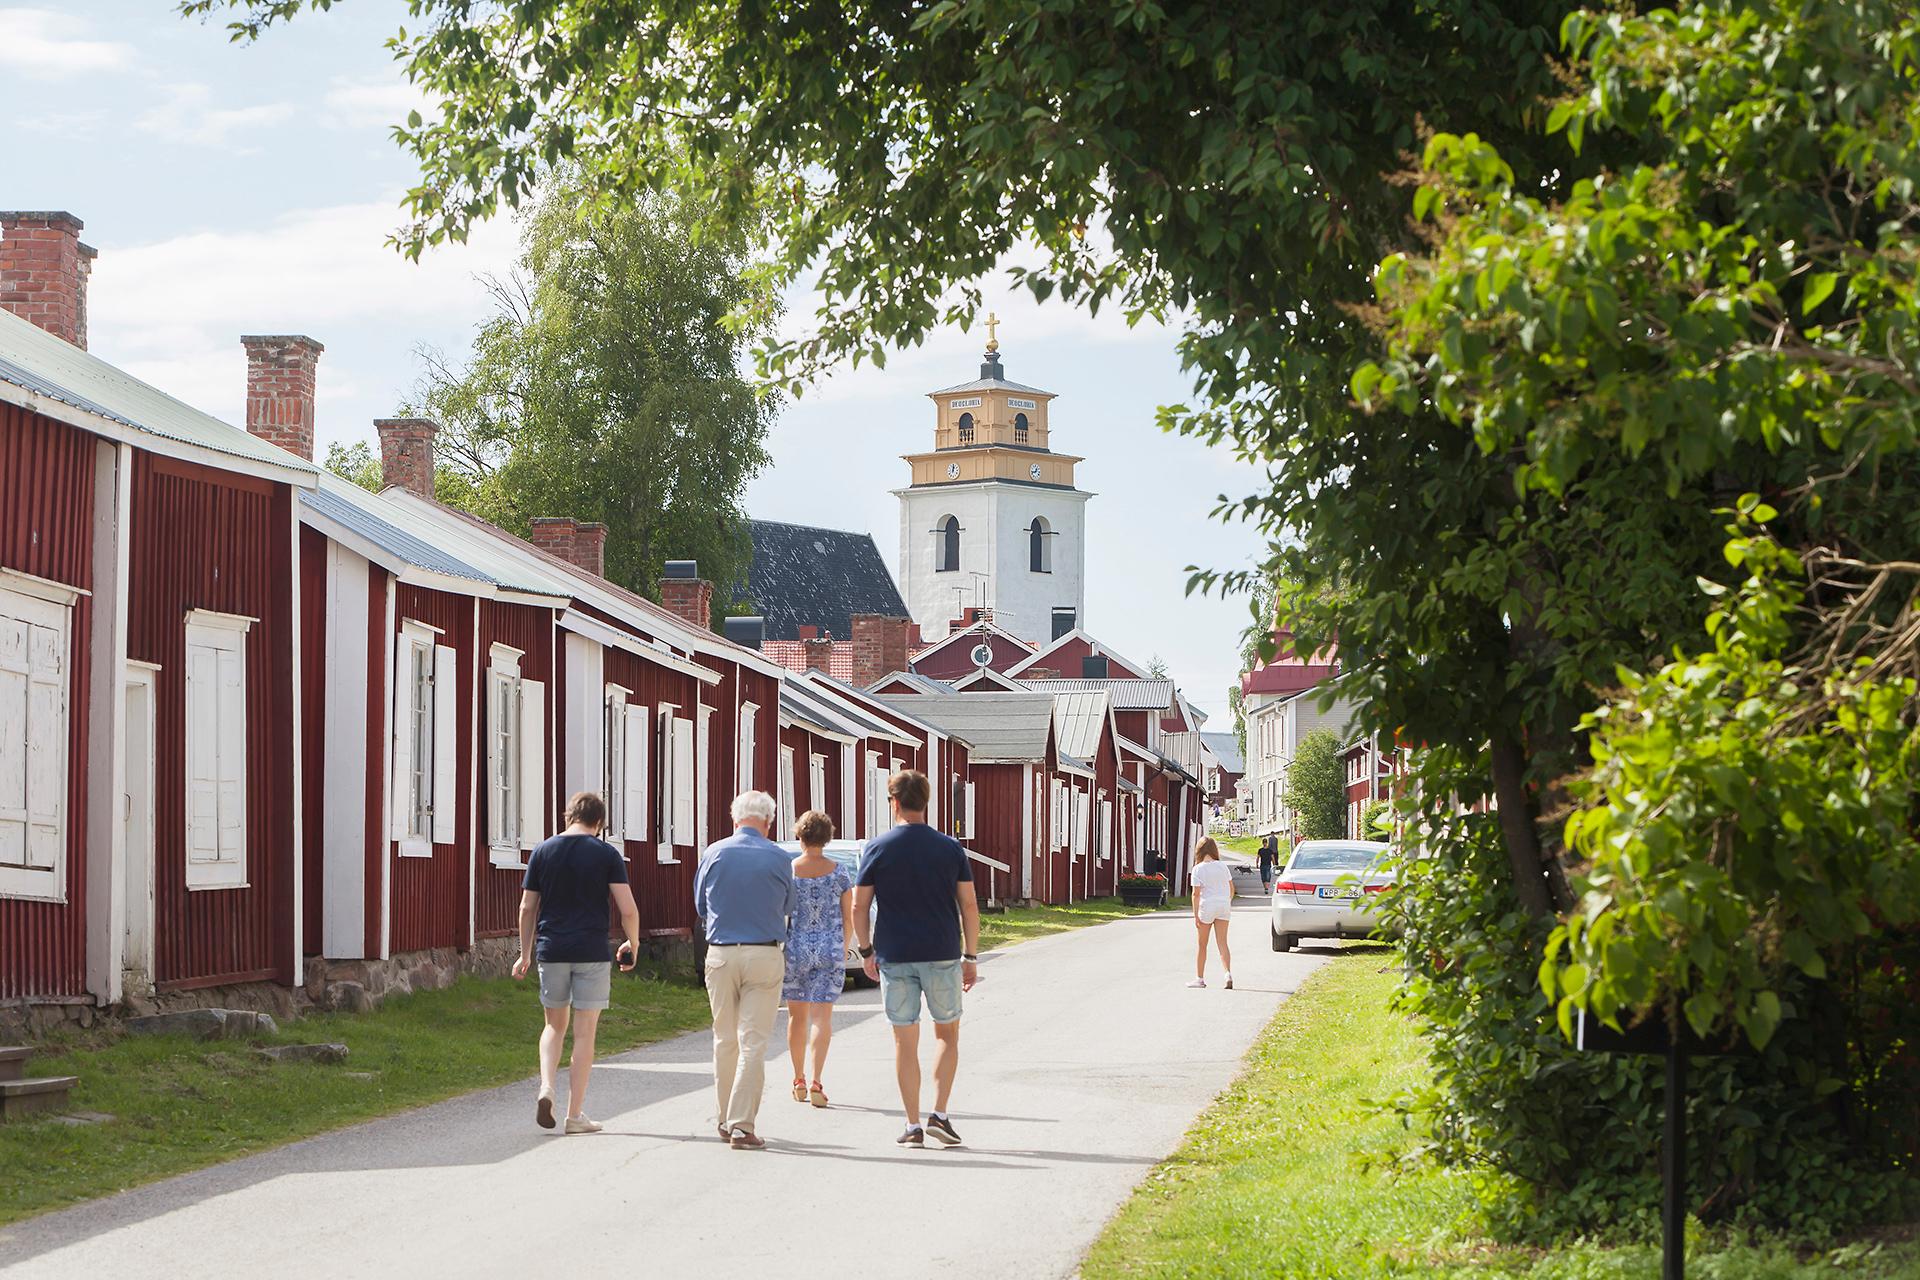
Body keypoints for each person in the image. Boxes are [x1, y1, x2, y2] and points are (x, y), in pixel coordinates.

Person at [852, 770, 980, 1149]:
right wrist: (970, 955)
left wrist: (866, 950)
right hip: (941, 952)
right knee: (946, 1033)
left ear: (894, 802)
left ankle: (912, 1125)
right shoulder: (949, 848)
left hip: (895, 954)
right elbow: (969, 904)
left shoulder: (877, 848)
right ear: (926, 802)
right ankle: (939, 1114)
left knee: (904, 1041)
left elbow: (860, 905)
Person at [512, 791, 640, 1134]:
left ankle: (546, 1087)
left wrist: (525, 953)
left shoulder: (543, 850)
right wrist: (634, 942)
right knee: (585, 1034)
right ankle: (574, 1115)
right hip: (591, 951)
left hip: (552, 949)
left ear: (569, 817)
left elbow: (527, 908)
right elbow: (627, 908)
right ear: (599, 823)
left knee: (554, 1026)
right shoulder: (606, 854)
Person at [693, 790, 796, 1151]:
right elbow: (788, 905)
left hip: (721, 953)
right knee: (753, 1041)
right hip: (764, 952)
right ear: (768, 822)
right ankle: (741, 1123)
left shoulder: (714, 852)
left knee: (724, 1039)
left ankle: (724, 1118)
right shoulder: (780, 858)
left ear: (734, 819)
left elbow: (701, 905)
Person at [783, 809, 855, 1108]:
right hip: (829, 948)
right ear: (827, 838)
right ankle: (816, 1081)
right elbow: (848, 914)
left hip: (796, 947)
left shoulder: (790, 871)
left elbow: (781, 911)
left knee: (796, 1016)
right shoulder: (839, 873)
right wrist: (844, 945)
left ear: (800, 835)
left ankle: (798, 1078)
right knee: (822, 1017)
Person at [1188, 836, 1234, 989]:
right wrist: (1226, 901)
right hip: (1223, 905)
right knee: (1222, 942)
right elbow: (1231, 888)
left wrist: (1196, 915)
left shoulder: (1198, 869)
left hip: (1207, 906)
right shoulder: (1222, 866)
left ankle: (1200, 979)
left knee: (1202, 944)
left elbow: (1196, 894)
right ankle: (1228, 973)